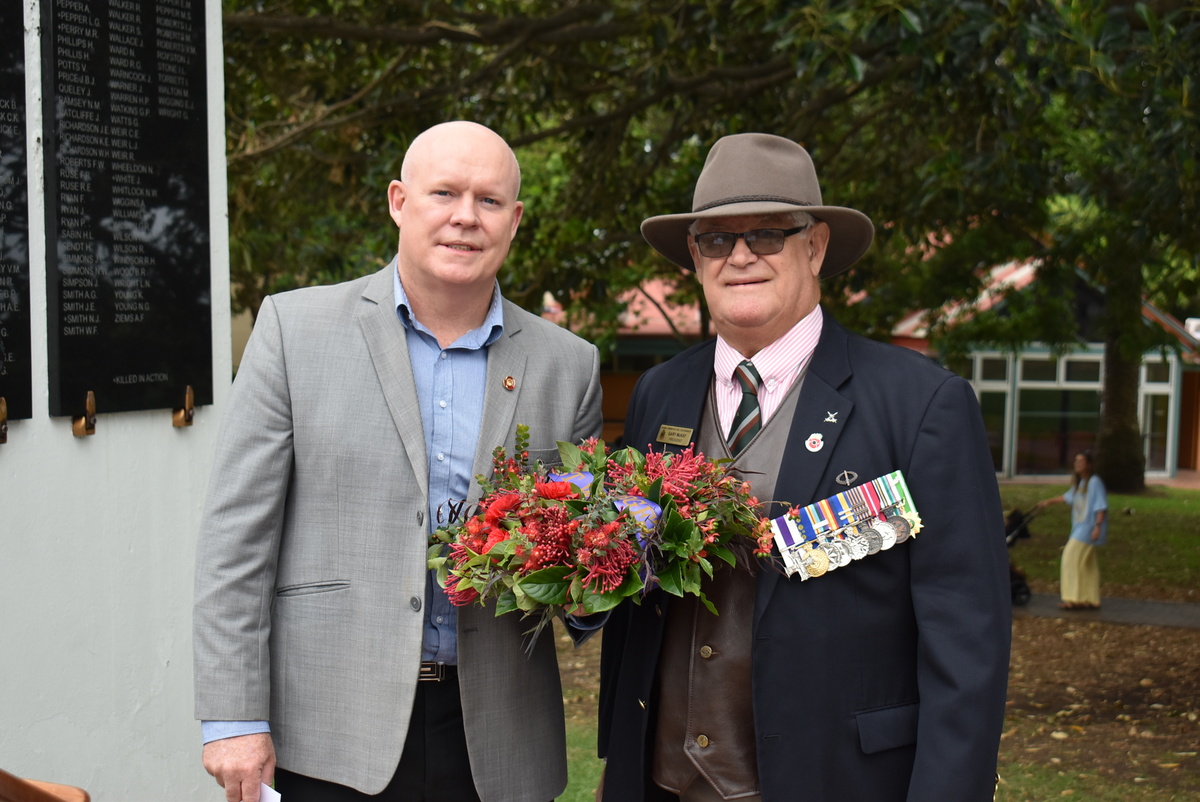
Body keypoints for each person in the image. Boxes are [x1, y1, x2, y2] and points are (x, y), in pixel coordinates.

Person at [193, 121, 603, 802]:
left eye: (490, 201)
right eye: (444, 192)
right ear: (399, 202)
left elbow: (579, 558)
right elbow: (235, 540)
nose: (466, 217)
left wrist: (598, 584)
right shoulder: (294, 332)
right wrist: (232, 717)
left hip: (497, 746)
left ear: (516, 219)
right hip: (327, 732)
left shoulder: (570, 366)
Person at [596, 133, 1011, 801]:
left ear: (814, 247)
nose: (740, 257)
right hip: (663, 785)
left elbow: (968, 652)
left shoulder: (922, 405)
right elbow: (636, 607)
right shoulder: (659, 394)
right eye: (715, 240)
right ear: (694, 260)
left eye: (766, 234)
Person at [1034, 450, 1107, 610]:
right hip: (1079, 528)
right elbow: (1068, 497)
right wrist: (1048, 502)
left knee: (1070, 559)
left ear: (1089, 464)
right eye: (1076, 461)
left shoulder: (1094, 482)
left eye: (1081, 462)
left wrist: (1097, 527)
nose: (1077, 464)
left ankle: (1072, 598)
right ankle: (1090, 598)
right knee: (1086, 564)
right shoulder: (1081, 483)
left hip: (1087, 528)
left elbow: (1101, 507)